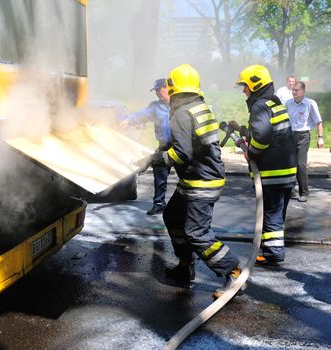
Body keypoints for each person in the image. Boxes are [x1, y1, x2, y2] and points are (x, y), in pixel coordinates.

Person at [149, 64, 241, 299]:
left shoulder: (181, 113)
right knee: (172, 216)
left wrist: (157, 160)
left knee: (196, 232)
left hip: (202, 181)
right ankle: (185, 265)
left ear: (174, 88)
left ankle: (233, 271)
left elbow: (182, 153)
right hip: (196, 179)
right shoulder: (199, 107)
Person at [229, 65, 297, 267]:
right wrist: (241, 129)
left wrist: (251, 152)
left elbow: (262, 137)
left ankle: (273, 253)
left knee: (271, 212)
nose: (244, 91)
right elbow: (266, 131)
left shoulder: (260, 106)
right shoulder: (274, 103)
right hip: (286, 170)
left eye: (245, 86)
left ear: (255, 85)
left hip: (272, 172)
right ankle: (271, 248)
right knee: (276, 213)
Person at [120, 78, 172, 215]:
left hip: (181, 146)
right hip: (164, 146)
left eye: (159, 90)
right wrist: (129, 120)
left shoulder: (179, 105)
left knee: (187, 176)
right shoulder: (156, 107)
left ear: (168, 88)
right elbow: (142, 115)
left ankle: (188, 204)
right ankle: (159, 204)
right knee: (159, 174)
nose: (157, 94)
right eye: (155, 91)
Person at [285, 81, 324, 202]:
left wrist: (320, 137)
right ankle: (291, 190)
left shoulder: (310, 103)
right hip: (290, 135)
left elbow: (318, 121)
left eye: (296, 90)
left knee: (300, 164)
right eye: (293, 90)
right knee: (290, 164)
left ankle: (304, 192)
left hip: (303, 136)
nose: (294, 92)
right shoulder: (288, 103)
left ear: (303, 91)